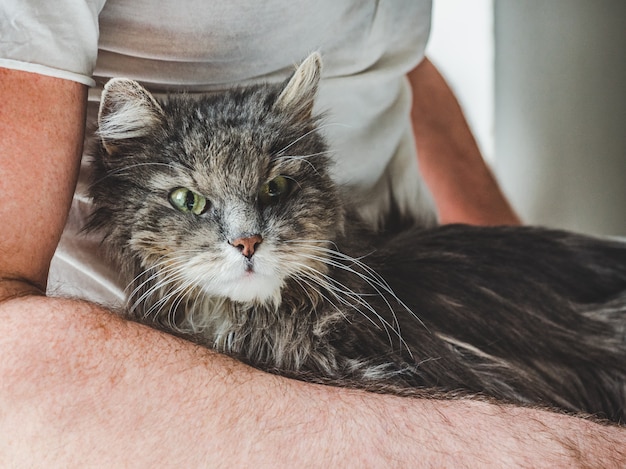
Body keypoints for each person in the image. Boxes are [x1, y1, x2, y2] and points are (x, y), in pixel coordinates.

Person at [0, 1, 623, 466]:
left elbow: (389, 57)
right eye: (192, 200)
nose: (244, 237)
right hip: (163, 392)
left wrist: (519, 269)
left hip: (390, 268)